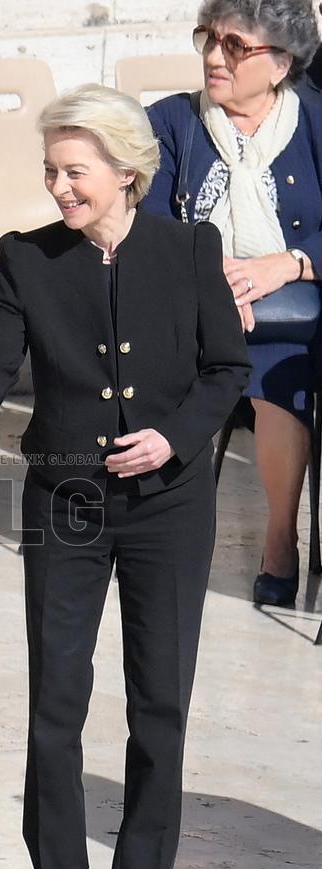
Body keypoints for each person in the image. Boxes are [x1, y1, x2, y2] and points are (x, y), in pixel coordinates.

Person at [0, 84, 250, 869]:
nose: (58, 188)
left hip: (169, 509)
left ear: (126, 173)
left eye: (74, 171)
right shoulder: (25, 256)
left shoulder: (190, 248)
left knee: (159, 705)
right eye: (50, 170)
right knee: (56, 703)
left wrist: (176, 439)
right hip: (64, 501)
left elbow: (224, 368)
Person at [142, 0, 322, 606]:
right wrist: (208, 271)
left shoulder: (319, 121)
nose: (215, 57)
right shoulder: (170, 122)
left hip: (293, 311)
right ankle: (154, 533)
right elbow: (146, 219)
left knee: (277, 368)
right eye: (210, 39)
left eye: (236, 47)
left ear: (280, 63)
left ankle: (279, 537)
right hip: (190, 301)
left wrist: (290, 262)